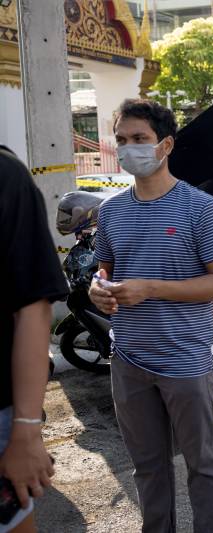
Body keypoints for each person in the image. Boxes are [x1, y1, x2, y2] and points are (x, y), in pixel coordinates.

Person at [88, 99, 213, 532]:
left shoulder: (200, 208)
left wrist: (151, 288)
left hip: (185, 361)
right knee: (146, 467)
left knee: (203, 465)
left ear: (165, 145)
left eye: (139, 139)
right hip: (129, 360)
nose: (129, 148)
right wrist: (99, 289)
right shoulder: (112, 210)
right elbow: (105, 269)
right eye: (121, 140)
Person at [0, 147, 68, 533]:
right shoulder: (113, 211)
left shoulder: (6, 175)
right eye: (123, 139)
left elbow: (33, 305)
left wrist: (26, 431)